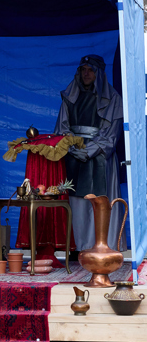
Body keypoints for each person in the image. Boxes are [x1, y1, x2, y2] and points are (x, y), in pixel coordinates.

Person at [54, 55, 124, 251]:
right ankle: (78, 247)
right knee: (76, 203)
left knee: (99, 200)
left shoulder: (112, 99)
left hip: (99, 157)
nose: (86, 73)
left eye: (90, 70)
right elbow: (62, 128)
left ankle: (103, 247)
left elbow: (111, 135)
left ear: (99, 73)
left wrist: (89, 150)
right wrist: (72, 148)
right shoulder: (70, 97)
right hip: (73, 157)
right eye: (83, 69)